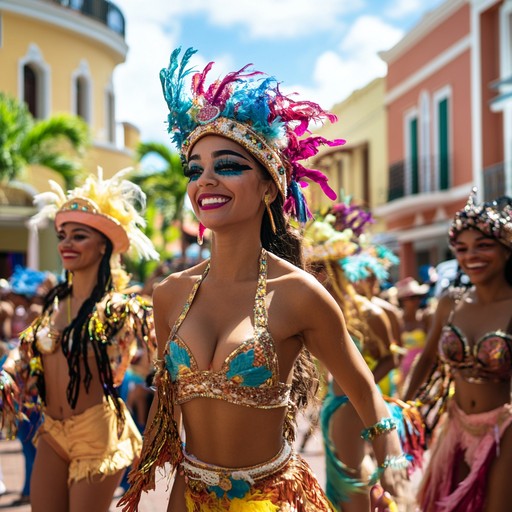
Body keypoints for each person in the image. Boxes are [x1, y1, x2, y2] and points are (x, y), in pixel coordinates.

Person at [120, 47, 408, 512]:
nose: (205, 181)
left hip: (268, 499)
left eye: (228, 166)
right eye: (195, 170)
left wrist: (389, 465)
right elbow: (165, 407)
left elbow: (367, 393)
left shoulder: (299, 294)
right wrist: (145, 480)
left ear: (270, 186)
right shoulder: (169, 293)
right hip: (187, 498)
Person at [0, 169, 158, 512]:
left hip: (96, 433)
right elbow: (26, 351)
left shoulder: (117, 308)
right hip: (53, 430)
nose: (66, 244)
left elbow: (148, 358)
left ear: (103, 244)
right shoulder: (56, 304)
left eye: (79, 236)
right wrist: (8, 373)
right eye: (62, 235)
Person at [404, 189, 512, 511]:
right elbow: (426, 360)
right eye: (461, 249)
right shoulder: (450, 302)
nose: (471, 256)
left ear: (506, 250)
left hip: (505, 430)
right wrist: (403, 412)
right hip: (456, 423)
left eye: (483, 245)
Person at [394, 277, 433, 391]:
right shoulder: (397, 321)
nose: (416, 301)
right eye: (411, 297)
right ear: (402, 301)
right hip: (403, 371)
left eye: (418, 297)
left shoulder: (425, 318)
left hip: (424, 369)